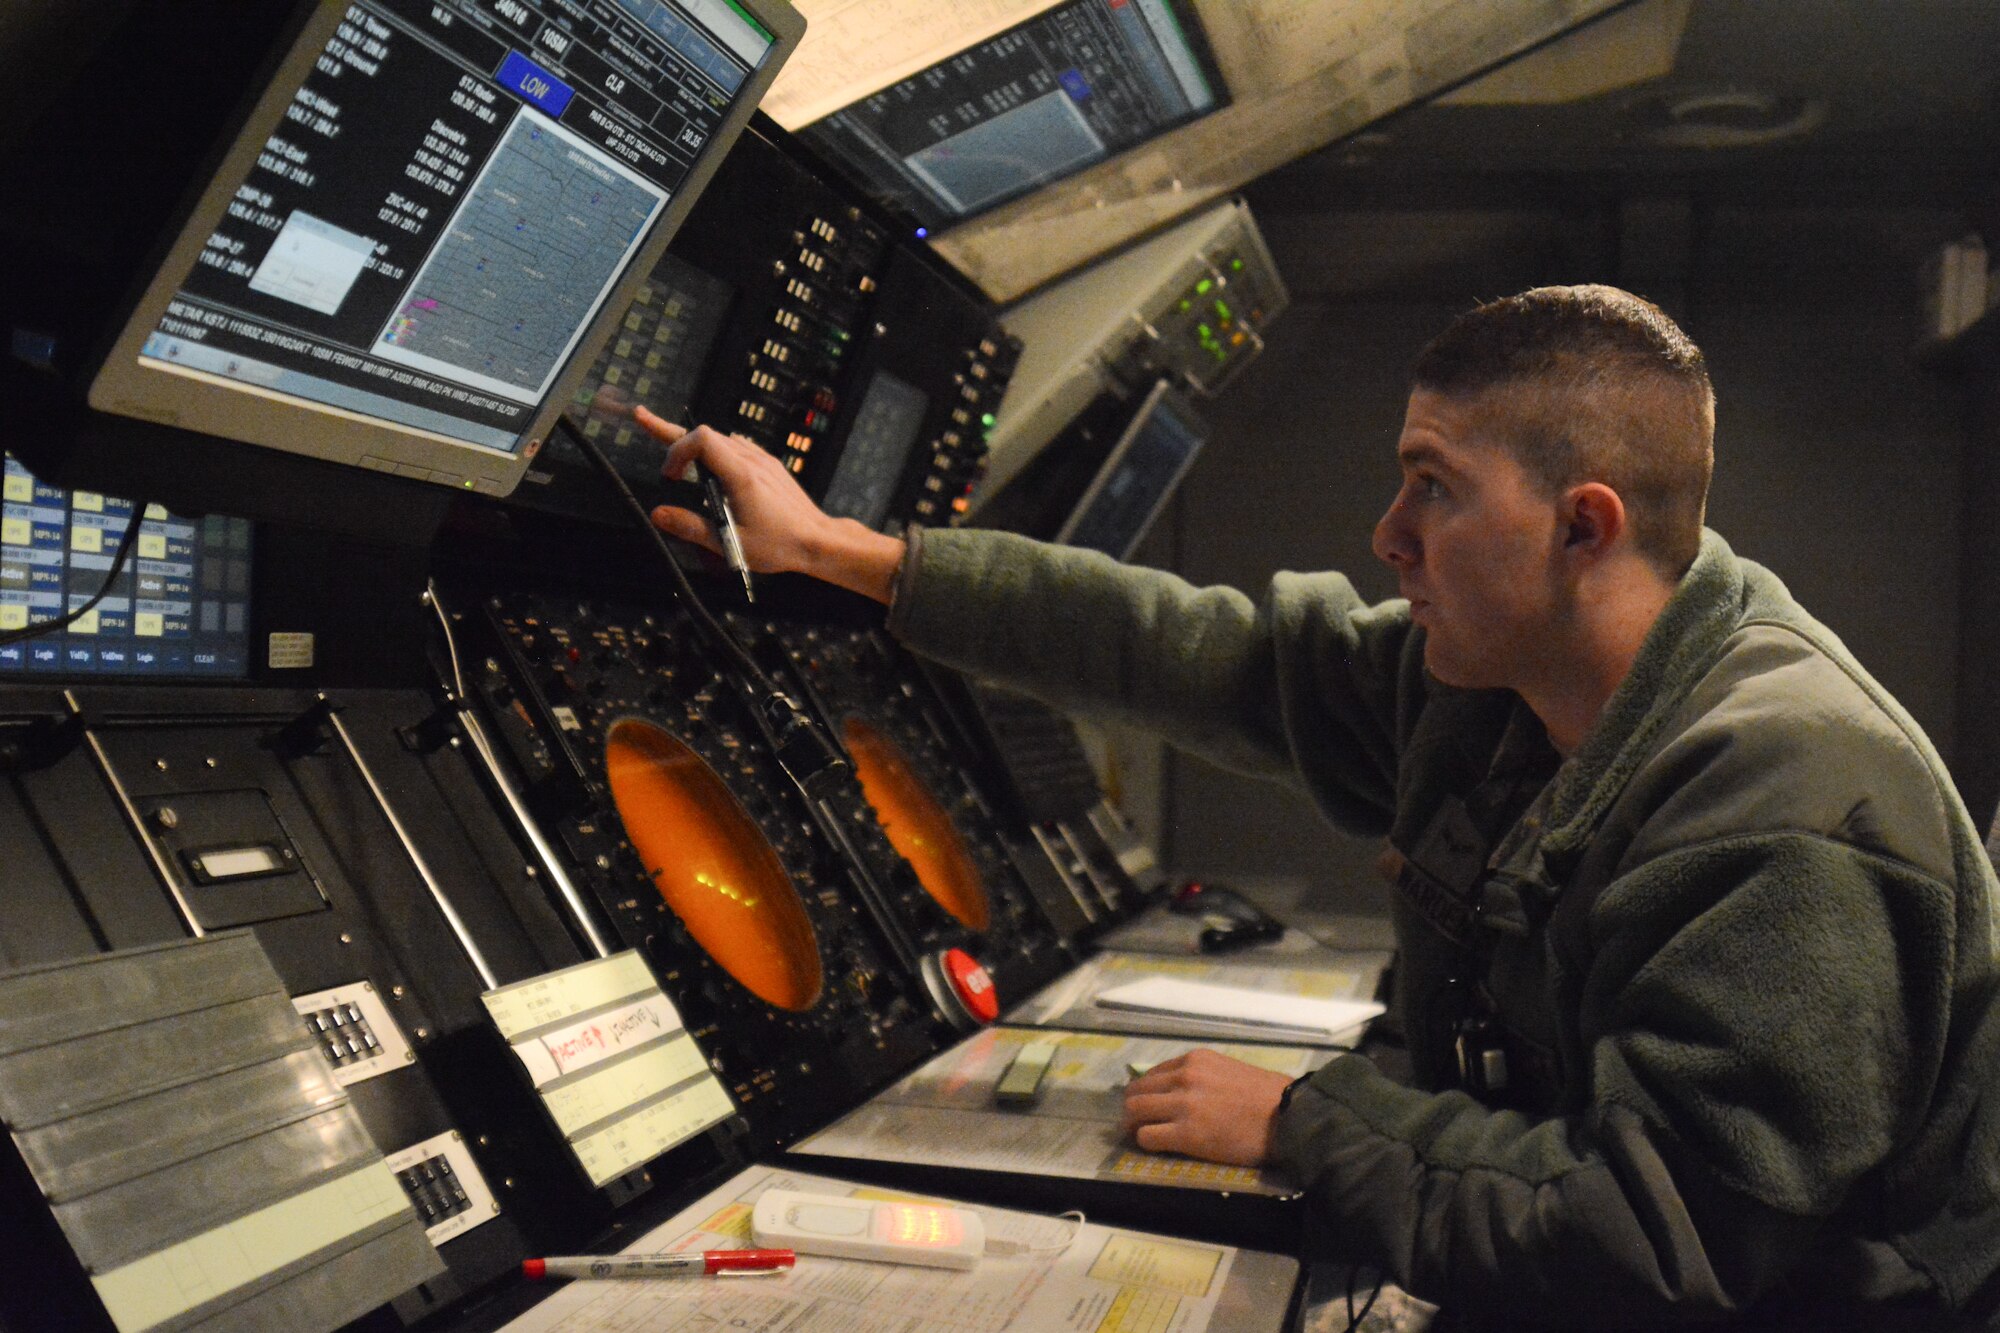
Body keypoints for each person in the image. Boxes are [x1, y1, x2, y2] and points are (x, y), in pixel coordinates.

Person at [637, 285, 2000, 1329]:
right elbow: (1196, 651)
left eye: (1435, 486)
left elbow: (1663, 1241)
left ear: (1583, 528)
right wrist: (839, 552)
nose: (1387, 534)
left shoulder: (1789, 806)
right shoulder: (1509, 679)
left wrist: (1305, 1125)